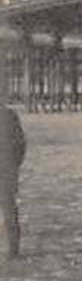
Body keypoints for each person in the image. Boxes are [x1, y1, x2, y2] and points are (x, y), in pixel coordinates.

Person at [1, 104, 25, 258]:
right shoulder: (10, 115)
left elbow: (20, 144)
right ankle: (13, 247)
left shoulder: (10, 115)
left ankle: (13, 247)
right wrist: (15, 163)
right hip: (8, 167)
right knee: (9, 206)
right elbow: (21, 144)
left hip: (7, 167)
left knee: (9, 206)